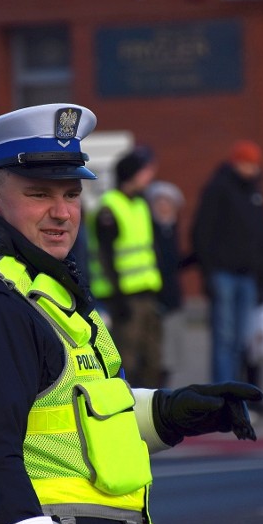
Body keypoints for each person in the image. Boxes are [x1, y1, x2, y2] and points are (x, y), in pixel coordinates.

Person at [0, 103, 263, 524]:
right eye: (39, 194)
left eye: (71, 194)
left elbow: (71, 415)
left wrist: (170, 413)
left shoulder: (35, 282)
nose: (62, 212)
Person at [189, 140, 263, 400]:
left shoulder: (255, 192)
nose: (250, 168)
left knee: (243, 340)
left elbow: (262, 233)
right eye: (246, 162)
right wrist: (208, 272)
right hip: (224, 274)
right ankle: (222, 394)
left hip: (248, 275)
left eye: (253, 163)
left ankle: (237, 393)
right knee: (225, 339)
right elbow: (202, 232)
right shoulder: (219, 189)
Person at [87, 147, 164, 388]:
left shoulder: (140, 205)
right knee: (126, 361)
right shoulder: (109, 207)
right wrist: (118, 297)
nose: (150, 176)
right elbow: (105, 256)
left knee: (153, 360)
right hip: (123, 298)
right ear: (132, 173)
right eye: (145, 171)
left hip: (146, 293)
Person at [144, 180, 186, 388]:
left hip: (173, 299)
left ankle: (165, 395)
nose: (164, 207)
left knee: (170, 356)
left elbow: (174, 264)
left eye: (168, 203)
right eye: (159, 202)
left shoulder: (171, 230)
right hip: (156, 301)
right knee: (156, 356)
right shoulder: (149, 231)